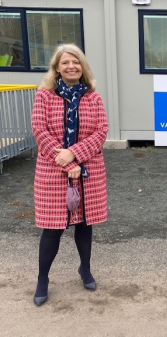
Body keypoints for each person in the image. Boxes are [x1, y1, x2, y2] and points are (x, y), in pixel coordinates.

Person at [31, 43, 109, 306]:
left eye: (75, 62)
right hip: (53, 170)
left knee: (85, 225)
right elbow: (40, 131)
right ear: (57, 68)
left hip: (87, 171)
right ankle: (43, 279)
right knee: (52, 229)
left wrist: (74, 154)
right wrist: (65, 162)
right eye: (65, 62)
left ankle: (84, 269)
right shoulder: (44, 95)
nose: (71, 66)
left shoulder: (93, 98)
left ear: (82, 67)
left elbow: (101, 132)